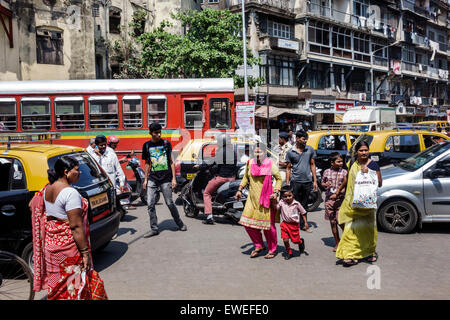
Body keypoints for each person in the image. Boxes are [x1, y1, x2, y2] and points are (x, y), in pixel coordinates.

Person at [30, 156, 107, 300]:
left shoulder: (47, 189)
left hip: (51, 247)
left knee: (57, 288)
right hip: (69, 249)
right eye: (77, 170)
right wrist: (85, 253)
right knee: (73, 289)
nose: (80, 173)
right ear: (66, 172)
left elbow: (32, 204)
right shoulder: (70, 193)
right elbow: (76, 226)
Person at [336, 141, 382, 267]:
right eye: (361, 150)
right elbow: (347, 180)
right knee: (349, 230)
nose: (364, 153)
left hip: (366, 206)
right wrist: (339, 190)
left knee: (367, 231)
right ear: (356, 152)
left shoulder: (373, 165)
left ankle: (369, 252)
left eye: (366, 150)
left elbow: (380, 183)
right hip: (352, 204)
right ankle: (350, 254)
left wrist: (368, 174)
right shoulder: (351, 163)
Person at [235, 143, 282, 259]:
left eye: (260, 152)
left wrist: (276, 192)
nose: (257, 154)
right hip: (252, 199)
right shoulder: (250, 163)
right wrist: (240, 190)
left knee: (268, 227)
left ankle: (272, 249)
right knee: (247, 224)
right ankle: (259, 245)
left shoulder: (270, 164)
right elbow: (246, 177)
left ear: (264, 153)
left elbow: (279, 178)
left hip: (266, 199)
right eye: (255, 152)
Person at [142, 122, 187, 237]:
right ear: (150, 133)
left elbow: (171, 162)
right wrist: (145, 179)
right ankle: (154, 228)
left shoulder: (166, 144)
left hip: (165, 178)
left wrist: (174, 179)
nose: (159, 134)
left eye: (160, 132)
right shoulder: (147, 146)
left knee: (169, 202)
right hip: (152, 178)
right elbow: (147, 164)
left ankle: (179, 223)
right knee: (150, 204)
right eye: (156, 133)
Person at [201, 134, 238, 225]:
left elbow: (213, 162)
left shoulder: (220, 151)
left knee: (206, 193)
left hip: (222, 178)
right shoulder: (233, 152)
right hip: (232, 178)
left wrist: (201, 166)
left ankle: (209, 216)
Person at [285, 130, 318, 233]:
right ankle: (294, 224)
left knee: (304, 204)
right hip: (295, 181)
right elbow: (288, 168)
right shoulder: (290, 152)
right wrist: (287, 182)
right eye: (303, 139)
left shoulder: (310, 150)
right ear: (297, 139)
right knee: (294, 204)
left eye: (306, 139)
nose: (305, 141)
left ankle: (304, 225)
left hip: (307, 181)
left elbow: (312, 165)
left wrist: (315, 181)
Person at [321, 152, 347, 252]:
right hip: (329, 200)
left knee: (340, 221)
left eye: (341, 161)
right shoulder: (326, 172)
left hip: (340, 200)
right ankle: (337, 242)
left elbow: (346, 185)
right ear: (332, 162)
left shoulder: (344, 172)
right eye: (338, 161)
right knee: (332, 222)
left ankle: (347, 240)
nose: (341, 163)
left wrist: (340, 191)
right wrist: (325, 184)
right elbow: (322, 183)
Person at [273, 185, 306, 260]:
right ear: (282, 197)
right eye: (285, 196)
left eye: (289, 196)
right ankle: (289, 252)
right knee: (285, 239)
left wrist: (305, 223)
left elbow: (303, 213)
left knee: (295, 241)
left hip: (294, 225)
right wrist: (273, 201)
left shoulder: (296, 204)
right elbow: (276, 208)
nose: (287, 198)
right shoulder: (282, 202)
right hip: (284, 224)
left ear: (293, 195)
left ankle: (300, 242)